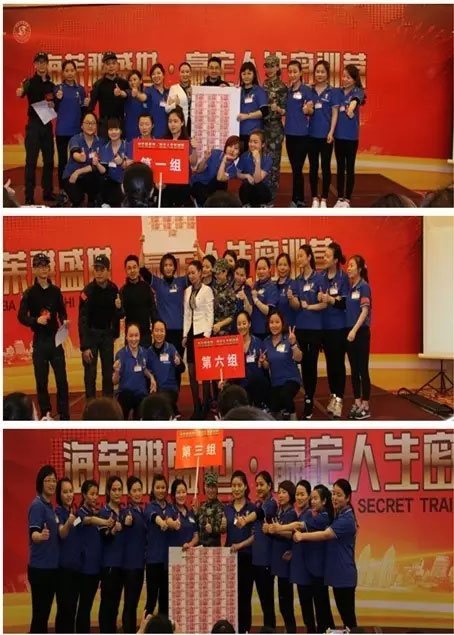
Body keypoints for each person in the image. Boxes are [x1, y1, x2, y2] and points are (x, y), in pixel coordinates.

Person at [293, 479, 358, 630]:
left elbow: (325, 535)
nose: (334, 497)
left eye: (339, 495)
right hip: (338, 575)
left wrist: (301, 536)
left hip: (344, 575)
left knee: (349, 620)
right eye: (333, 493)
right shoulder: (338, 515)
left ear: (348, 497)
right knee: (345, 618)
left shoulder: (347, 519)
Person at [18, 252, 70, 420]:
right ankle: (45, 414)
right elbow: (21, 316)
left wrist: (64, 320)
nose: (43, 269)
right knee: (41, 381)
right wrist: (35, 320)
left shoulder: (56, 291)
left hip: (56, 340)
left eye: (46, 266)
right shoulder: (29, 293)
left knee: (62, 380)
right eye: (40, 266)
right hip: (40, 341)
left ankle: (64, 415)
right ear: (34, 269)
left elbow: (62, 311)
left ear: (49, 268)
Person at [78, 254, 124, 400]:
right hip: (91, 336)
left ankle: (108, 403)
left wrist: (118, 308)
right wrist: (85, 346)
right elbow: (82, 320)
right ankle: (90, 405)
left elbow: (120, 315)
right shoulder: (87, 292)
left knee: (108, 372)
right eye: (96, 269)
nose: (98, 273)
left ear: (108, 271)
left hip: (107, 336)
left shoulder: (114, 289)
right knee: (90, 373)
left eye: (102, 269)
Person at [292, 484, 335, 633]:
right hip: (312, 569)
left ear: (324, 501)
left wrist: (278, 528)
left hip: (319, 570)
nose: (312, 501)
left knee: (322, 609)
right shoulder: (314, 514)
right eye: (312, 498)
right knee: (317, 608)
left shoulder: (324, 516)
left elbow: (300, 526)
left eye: (315, 498)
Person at [290, 244, 326, 419]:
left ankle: (309, 398)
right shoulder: (296, 281)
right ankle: (306, 396)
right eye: (297, 256)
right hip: (301, 328)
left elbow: (324, 304)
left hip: (315, 329)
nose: (299, 259)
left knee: (311, 364)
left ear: (309, 257)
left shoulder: (319, 278)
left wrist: (310, 306)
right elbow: (296, 306)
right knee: (303, 364)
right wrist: (292, 299)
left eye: (301, 255)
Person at [16, 52, 56, 205]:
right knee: (31, 161)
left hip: (47, 125)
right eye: (38, 62)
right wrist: (20, 92)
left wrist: (54, 104)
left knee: (49, 161)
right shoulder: (29, 82)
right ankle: (29, 195)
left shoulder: (52, 85)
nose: (41, 65)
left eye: (43, 62)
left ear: (47, 64)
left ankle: (48, 192)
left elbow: (55, 104)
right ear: (35, 65)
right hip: (33, 125)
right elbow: (21, 92)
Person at [75, 479, 114, 633]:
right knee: (84, 607)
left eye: (96, 494)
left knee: (89, 605)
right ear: (84, 494)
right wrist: (105, 521)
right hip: (84, 569)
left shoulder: (95, 512)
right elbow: (87, 521)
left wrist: (111, 528)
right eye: (91, 494)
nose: (95, 497)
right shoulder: (79, 514)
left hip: (96, 568)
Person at [139, 245, 188, 360]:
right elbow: (141, 268)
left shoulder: (181, 282)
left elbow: (199, 271)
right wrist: (142, 245)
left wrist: (198, 249)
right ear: (162, 267)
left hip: (179, 330)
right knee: (163, 362)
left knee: (177, 363)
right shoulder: (157, 283)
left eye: (170, 265)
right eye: (165, 265)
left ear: (174, 267)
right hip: (162, 332)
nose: (168, 268)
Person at [318, 242, 349, 419]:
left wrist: (331, 300)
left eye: (328, 256)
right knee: (330, 364)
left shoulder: (343, 278)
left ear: (336, 260)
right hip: (325, 327)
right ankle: (332, 395)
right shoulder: (321, 277)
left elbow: (344, 303)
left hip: (339, 328)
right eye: (324, 255)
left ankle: (339, 399)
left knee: (338, 364)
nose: (325, 258)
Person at [27, 465, 59, 633]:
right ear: (41, 482)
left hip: (51, 568)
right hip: (40, 569)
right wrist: (40, 536)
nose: (52, 484)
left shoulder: (49, 506)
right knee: (39, 615)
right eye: (48, 480)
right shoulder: (37, 505)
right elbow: (33, 533)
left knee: (44, 614)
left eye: (54, 480)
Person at [223, 471, 256, 634]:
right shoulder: (226, 509)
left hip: (246, 557)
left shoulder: (252, 508)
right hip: (229, 558)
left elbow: (255, 536)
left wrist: (240, 545)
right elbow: (222, 530)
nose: (236, 489)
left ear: (245, 487)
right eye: (233, 485)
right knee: (230, 597)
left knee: (244, 597)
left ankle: (244, 630)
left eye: (239, 485)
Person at [264, 480, 297, 634]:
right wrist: (269, 529)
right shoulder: (279, 512)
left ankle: (291, 631)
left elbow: (291, 533)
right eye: (280, 492)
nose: (281, 495)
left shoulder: (291, 513)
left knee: (286, 605)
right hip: (277, 562)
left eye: (284, 492)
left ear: (291, 495)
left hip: (286, 562)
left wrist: (275, 529)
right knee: (283, 604)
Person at [182, 260, 214, 419]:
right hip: (191, 333)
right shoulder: (187, 291)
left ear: (200, 273)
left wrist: (207, 335)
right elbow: (187, 314)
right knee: (192, 371)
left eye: (193, 272)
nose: (191, 276)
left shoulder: (207, 290)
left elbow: (210, 313)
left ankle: (206, 404)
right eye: (189, 273)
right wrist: (184, 334)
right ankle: (196, 404)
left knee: (205, 372)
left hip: (203, 333)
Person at [54, 60, 89, 205]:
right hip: (62, 131)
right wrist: (57, 100)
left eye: (72, 70)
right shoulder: (58, 89)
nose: (69, 73)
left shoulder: (80, 89)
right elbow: (53, 108)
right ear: (63, 73)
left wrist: (86, 105)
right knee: (63, 162)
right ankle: (63, 190)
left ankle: (76, 190)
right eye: (66, 70)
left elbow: (83, 110)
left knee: (77, 161)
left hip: (76, 132)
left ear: (75, 71)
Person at [222, 311, 270, 409]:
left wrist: (262, 362)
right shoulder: (232, 344)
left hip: (256, 384)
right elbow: (229, 367)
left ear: (249, 324)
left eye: (244, 323)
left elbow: (266, 366)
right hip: (240, 384)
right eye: (239, 324)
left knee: (257, 381)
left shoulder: (258, 342)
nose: (241, 327)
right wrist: (224, 381)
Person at [333, 65, 366, 208]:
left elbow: (355, 101)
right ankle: (340, 198)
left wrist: (351, 108)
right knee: (340, 168)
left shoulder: (358, 91)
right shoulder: (338, 92)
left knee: (349, 168)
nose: (345, 79)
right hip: (338, 136)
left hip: (351, 137)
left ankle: (347, 200)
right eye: (344, 76)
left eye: (348, 77)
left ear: (354, 79)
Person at [307, 60, 339, 208]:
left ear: (327, 74)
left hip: (326, 136)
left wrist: (331, 132)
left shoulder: (332, 92)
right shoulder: (309, 91)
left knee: (326, 167)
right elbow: (306, 111)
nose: (319, 74)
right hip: (311, 136)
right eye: (317, 72)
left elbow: (335, 113)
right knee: (313, 168)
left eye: (322, 72)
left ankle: (324, 199)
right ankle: (314, 197)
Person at [261, 311, 302, 420]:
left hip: (291, 379)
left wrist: (293, 344)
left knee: (285, 395)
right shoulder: (266, 342)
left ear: (282, 323)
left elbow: (299, 358)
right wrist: (263, 362)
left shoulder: (289, 338)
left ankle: (293, 419)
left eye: (277, 322)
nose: (274, 325)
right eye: (271, 322)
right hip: (276, 382)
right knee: (273, 406)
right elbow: (267, 366)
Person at [345, 255, 372, 419]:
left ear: (359, 269)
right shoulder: (350, 288)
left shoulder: (364, 286)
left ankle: (366, 405)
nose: (348, 268)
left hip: (360, 332)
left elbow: (365, 311)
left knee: (362, 369)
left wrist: (354, 330)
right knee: (354, 370)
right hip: (350, 333)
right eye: (348, 265)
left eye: (352, 265)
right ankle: (357, 402)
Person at [98, 476, 125, 634]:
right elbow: (104, 536)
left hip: (121, 565)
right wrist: (113, 530)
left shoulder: (124, 512)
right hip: (109, 565)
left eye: (119, 489)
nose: (117, 492)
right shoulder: (104, 512)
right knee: (107, 605)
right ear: (108, 491)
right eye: (114, 489)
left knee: (115, 606)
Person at [113, 323, 156, 420]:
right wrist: (116, 371)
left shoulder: (145, 352)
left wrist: (151, 377)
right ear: (126, 337)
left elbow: (144, 369)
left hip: (141, 394)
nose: (134, 339)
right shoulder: (120, 354)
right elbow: (114, 382)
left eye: (136, 335)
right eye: (131, 336)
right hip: (125, 394)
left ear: (140, 336)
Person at [284, 60, 313, 207]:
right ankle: (297, 198)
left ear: (301, 73)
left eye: (295, 71)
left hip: (302, 135)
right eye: (290, 72)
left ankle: (298, 199)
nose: (292, 74)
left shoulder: (306, 90)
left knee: (297, 168)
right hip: (289, 135)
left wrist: (308, 110)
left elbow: (311, 109)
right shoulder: (288, 92)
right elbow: (286, 111)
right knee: (295, 168)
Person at [252, 471, 277, 631]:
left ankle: (270, 630)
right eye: (257, 485)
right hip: (256, 559)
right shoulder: (259, 504)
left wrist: (246, 519)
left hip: (266, 561)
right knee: (263, 602)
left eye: (262, 484)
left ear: (269, 486)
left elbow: (259, 514)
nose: (259, 488)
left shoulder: (271, 503)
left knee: (267, 603)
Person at [144, 474, 172, 616]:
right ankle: (145, 627)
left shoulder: (171, 508)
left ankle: (163, 627)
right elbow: (155, 517)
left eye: (163, 487)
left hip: (168, 561)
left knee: (165, 601)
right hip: (153, 561)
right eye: (158, 487)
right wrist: (162, 523)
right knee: (151, 601)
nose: (161, 490)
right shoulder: (150, 507)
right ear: (153, 489)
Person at [121, 476, 146, 634]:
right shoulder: (127, 512)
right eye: (134, 491)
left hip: (140, 564)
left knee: (134, 603)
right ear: (129, 494)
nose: (137, 493)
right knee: (130, 604)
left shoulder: (142, 512)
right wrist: (127, 522)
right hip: (129, 565)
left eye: (139, 490)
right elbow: (125, 522)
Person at [62, 111, 102, 207]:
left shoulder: (101, 142)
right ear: (81, 126)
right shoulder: (75, 139)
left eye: (93, 123)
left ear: (96, 126)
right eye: (87, 123)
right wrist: (80, 157)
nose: (90, 126)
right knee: (77, 199)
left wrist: (78, 171)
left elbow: (97, 166)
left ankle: (92, 200)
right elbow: (75, 153)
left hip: (87, 176)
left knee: (97, 177)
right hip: (72, 176)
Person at [55, 477, 80, 634]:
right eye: (65, 492)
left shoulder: (74, 514)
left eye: (71, 491)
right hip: (63, 570)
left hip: (76, 569)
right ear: (59, 494)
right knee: (64, 610)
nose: (69, 494)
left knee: (72, 611)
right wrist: (69, 523)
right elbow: (62, 533)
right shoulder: (57, 512)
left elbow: (80, 528)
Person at [263, 54, 288, 202]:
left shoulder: (282, 87)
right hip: (262, 128)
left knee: (273, 164)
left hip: (275, 129)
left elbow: (286, 111)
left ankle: (271, 198)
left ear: (278, 67)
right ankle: (262, 194)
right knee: (263, 162)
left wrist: (277, 109)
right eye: (267, 66)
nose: (270, 69)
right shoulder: (264, 84)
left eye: (273, 66)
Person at [147, 320, 185, 415]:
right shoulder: (148, 352)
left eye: (162, 331)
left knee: (161, 402)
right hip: (155, 389)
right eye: (156, 330)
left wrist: (178, 363)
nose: (159, 333)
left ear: (165, 332)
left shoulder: (171, 348)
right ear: (152, 332)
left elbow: (182, 368)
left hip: (170, 389)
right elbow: (145, 371)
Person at [161, 106, 198, 207]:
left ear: (182, 123)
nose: (172, 124)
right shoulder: (163, 141)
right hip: (167, 181)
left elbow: (193, 163)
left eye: (175, 121)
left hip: (183, 182)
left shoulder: (187, 141)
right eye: (170, 121)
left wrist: (194, 148)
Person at [88, 51, 129, 140]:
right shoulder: (98, 84)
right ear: (103, 66)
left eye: (113, 63)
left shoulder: (124, 83)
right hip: (104, 124)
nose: (111, 66)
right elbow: (91, 106)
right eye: (108, 64)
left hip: (120, 122)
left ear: (117, 65)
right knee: (103, 147)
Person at [190, 136, 240, 207]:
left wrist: (224, 160)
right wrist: (205, 158)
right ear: (226, 147)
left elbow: (219, 178)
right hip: (200, 183)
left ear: (239, 152)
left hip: (213, 190)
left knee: (221, 183)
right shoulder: (215, 153)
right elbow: (198, 170)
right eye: (230, 146)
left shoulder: (233, 170)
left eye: (236, 148)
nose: (232, 150)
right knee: (203, 193)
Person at [120, 254, 158, 348]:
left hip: (145, 335)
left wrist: (155, 328)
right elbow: (121, 314)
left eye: (134, 267)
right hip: (130, 335)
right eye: (129, 268)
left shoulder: (146, 287)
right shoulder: (123, 290)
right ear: (126, 270)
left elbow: (153, 309)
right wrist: (118, 307)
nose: (132, 271)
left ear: (138, 268)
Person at [94, 117, 131, 207]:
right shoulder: (104, 148)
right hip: (110, 185)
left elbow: (132, 167)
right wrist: (97, 163)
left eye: (116, 129)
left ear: (121, 131)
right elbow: (103, 171)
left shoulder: (128, 146)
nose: (113, 132)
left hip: (125, 183)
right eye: (110, 129)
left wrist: (121, 162)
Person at [237, 61, 268, 152]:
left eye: (249, 73)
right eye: (244, 74)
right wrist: (224, 88)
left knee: (254, 158)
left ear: (254, 75)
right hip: (239, 133)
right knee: (242, 158)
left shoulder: (259, 91)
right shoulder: (238, 91)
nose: (246, 76)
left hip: (255, 135)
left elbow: (264, 111)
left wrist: (247, 116)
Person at [237, 130, 273, 207]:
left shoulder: (267, 158)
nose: (252, 144)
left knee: (258, 186)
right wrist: (246, 176)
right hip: (247, 189)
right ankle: (246, 205)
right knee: (245, 187)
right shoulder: (244, 156)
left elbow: (257, 180)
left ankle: (262, 206)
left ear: (263, 144)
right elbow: (237, 173)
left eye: (255, 142)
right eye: (250, 141)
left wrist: (258, 161)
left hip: (262, 190)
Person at [194, 472, 225, 547]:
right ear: (204, 487)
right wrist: (195, 513)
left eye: (213, 487)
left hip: (214, 550)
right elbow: (196, 528)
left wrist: (212, 530)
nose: (210, 490)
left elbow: (222, 529)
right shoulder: (202, 506)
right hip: (200, 549)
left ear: (217, 488)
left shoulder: (221, 507)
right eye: (208, 486)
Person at [251, 256, 278, 338]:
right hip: (253, 330)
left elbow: (268, 311)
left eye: (264, 268)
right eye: (259, 269)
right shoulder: (255, 285)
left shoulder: (272, 286)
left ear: (269, 269)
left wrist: (255, 299)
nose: (261, 271)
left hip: (265, 331)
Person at [167, 479, 199, 549]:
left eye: (183, 492)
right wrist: (174, 524)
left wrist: (189, 545)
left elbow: (196, 536)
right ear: (173, 495)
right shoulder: (170, 509)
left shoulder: (190, 513)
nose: (181, 495)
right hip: (175, 553)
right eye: (178, 493)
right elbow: (168, 521)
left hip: (189, 552)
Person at [212, 258, 237, 335]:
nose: (216, 276)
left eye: (219, 273)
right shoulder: (213, 288)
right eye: (215, 273)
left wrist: (220, 324)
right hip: (212, 331)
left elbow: (232, 315)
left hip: (225, 332)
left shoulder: (230, 292)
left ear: (225, 272)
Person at [166, 62, 193, 131]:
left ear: (190, 73)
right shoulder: (174, 88)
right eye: (182, 72)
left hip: (194, 124)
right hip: (180, 125)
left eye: (187, 72)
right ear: (179, 73)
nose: (185, 74)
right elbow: (167, 109)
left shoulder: (195, 89)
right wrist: (175, 104)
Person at [124, 69, 149, 142]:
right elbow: (123, 94)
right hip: (130, 131)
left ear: (140, 81)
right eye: (130, 80)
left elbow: (143, 98)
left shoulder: (146, 93)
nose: (132, 82)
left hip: (144, 131)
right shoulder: (128, 93)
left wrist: (137, 94)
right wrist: (119, 92)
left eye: (134, 79)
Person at [274, 252, 298, 329]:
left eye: (285, 265)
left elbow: (297, 306)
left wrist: (291, 298)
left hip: (289, 328)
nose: (282, 268)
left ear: (289, 267)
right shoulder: (273, 285)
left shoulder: (293, 283)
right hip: (275, 328)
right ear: (276, 267)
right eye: (280, 265)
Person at [147, 63, 169, 139]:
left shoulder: (169, 92)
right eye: (153, 74)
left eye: (159, 73)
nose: (156, 76)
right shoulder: (148, 92)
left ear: (163, 75)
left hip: (168, 134)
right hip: (153, 134)